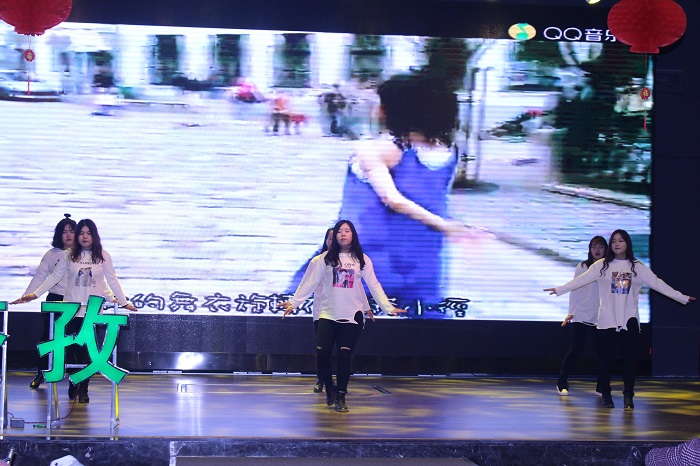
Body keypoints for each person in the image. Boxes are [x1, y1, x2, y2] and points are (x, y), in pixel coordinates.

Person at [338, 72, 483, 317]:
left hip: (367, 251)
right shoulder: (448, 151)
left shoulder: (377, 149)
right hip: (422, 252)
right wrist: (448, 226)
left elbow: (392, 199)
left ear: (389, 110)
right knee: (419, 319)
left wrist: (447, 226)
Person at [545, 229, 695, 410]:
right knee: (606, 359)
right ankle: (606, 394)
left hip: (629, 318)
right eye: (614, 241)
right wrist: (560, 289)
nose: (617, 244)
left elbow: (657, 283)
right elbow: (580, 281)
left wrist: (681, 297)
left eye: (621, 240)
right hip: (607, 318)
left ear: (627, 244)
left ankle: (628, 396)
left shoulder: (637, 267)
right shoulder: (601, 265)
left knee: (628, 360)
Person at [279, 220, 403, 412]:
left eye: (347, 231)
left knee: (344, 357)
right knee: (323, 355)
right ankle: (329, 388)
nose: (343, 234)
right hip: (328, 314)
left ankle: (341, 396)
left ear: (353, 234)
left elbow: (373, 285)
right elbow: (309, 283)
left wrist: (388, 308)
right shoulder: (325, 259)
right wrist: (294, 302)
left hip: (352, 316)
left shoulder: (362, 259)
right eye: (339, 231)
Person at [12, 219, 137, 403]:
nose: (84, 237)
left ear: (94, 235)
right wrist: (34, 294)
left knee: (87, 350)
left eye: (88, 233)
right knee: (70, 349)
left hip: (91, 311)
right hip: (71, 310)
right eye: (81, 233)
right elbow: (54, 277)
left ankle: (84, 388)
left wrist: (123, 302)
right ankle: (73, 381)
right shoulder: (69, 255)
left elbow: (111, 280)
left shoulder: (103, 255)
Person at [21, 214, 77, 390]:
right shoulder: (51, 254)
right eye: (64, 232)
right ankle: (41, 372)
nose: (68, 235)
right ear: (58, 234)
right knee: (48, 337)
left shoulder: (83, 254)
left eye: (72, 231)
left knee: (74, 339)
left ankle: (74, 379)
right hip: (55, 300)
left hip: (75, 301)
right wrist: (27, 295)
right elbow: (40, 276)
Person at [556, 235, 607, 396]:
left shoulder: (609, 267)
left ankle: (601, 386)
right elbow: (575, 289)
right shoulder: (583, 267)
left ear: (605, 249)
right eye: (594, 247)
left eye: (600, 247)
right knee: (576, 349)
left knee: (602, 352)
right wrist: (571, 312)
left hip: (602, 316)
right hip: (582, 313)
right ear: (589, 249)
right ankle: (562, 383)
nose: (597, 250)